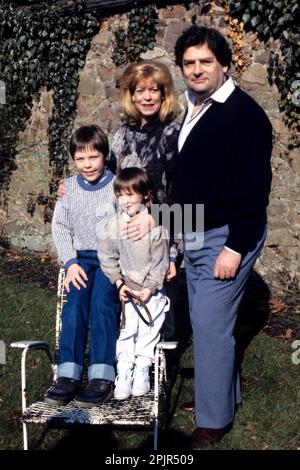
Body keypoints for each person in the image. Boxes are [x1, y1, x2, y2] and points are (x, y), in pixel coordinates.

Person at [171, 26, 272, 447]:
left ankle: (214, 421)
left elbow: (254, 189)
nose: (196, 69)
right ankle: (221, 398)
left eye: (205, 62)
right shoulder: (196, 106)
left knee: (210, 324)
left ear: (224, 65)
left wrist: (235, 247)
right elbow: (193, 178)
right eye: (189, 63)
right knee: (205, 319)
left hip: (228, 233)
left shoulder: (243, 115)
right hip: (194, 225)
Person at [57, 61, 181, 338]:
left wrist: (172, 252)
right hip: (127, 240)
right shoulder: (122, 135)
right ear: (131, 95)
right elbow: (104, 178)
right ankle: (120, 373)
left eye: (153, 90)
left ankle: (157, 377)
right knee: (125, 312)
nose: (146, 97)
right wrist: (69, 186)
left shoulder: (175, 135)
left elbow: (185, 196)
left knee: (159, 313)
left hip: (163, 238)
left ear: (164, 94)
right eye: (139, 91)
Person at [45, 125, 119, 408]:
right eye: (80, 159)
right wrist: (70, 262)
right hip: (79, 261)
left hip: (109, 261)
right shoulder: (69, 188)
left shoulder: (116, 187)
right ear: (73, 160)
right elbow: (60, 227)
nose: (87, 165)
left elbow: (127, 226)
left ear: (105, 156)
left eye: (93, 157)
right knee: (73, 308)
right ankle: (68, 374)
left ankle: (101, 376)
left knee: (102, 306)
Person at [99, 167, 170, 400]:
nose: (125, 200)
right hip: (127, 291)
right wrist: (120, 284)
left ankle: (142, 370)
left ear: (145, 195)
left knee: (148, 332)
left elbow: (161, 262)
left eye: (130, 194)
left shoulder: (156, 226)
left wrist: (149, 288)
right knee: (127, 331)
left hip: (151, 293)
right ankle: (124, 372)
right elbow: (107, 257)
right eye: (120, 195)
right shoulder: (114, 225)